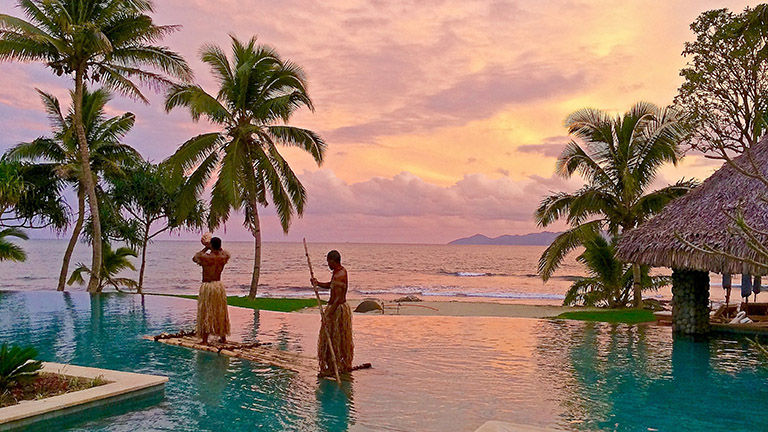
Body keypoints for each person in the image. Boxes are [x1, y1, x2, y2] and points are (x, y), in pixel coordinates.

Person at [311, 250, 354, 375]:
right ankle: (334, 364)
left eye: (328, 262)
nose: (327, 265)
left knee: (336, 338)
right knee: (334, 339)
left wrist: (328, 316)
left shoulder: (340, 274)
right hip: (335, 308)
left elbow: (338, 299)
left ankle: (336, 365)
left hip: (337, 310)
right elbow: (331, 285)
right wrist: (318, 283)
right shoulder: (338, 272)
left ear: (332, 261)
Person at [193, 235, 231, 345]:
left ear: (211, 246)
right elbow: (226, 253)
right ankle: (223, 337)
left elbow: (195, 258)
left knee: (206, 312)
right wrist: (216, 247)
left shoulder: (206, 257)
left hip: (208, 287)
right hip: (218, 286)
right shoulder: (223, 257)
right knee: (220, 311)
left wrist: (206, 247)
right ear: (220, 246)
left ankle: (205, 340)